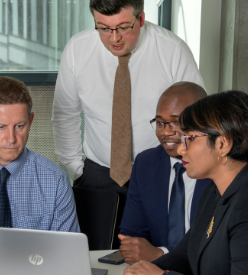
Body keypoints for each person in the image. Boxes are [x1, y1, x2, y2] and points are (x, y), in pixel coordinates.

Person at [53, 0, 202, 202]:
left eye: (124, 28)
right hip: (97, 175)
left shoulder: (173, 50)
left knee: (153, 235)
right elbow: (65, 114)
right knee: (96, 235)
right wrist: (76, 170)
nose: (114, 38)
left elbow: (198, 118)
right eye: (104, 28)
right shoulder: (77, 50)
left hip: (159, 172)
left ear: (140, 19)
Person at [0, 76, 80, 271]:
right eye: (1, 127)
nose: (11, 138)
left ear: (31, 120)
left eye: (20, 126)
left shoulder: (55, 180)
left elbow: (69, 254)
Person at [125, 91, 248, 275]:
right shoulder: (214, 192)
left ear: (222, 144)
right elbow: (186, 252)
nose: (181, 149)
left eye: (189, 139)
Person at [117, 82, 215, 264]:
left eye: (176, 123)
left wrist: (161, 254)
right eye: (160, 122)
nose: (165, 132)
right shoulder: (146, 163)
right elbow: (132, 233)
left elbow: (218, 247)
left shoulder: (218, 166)